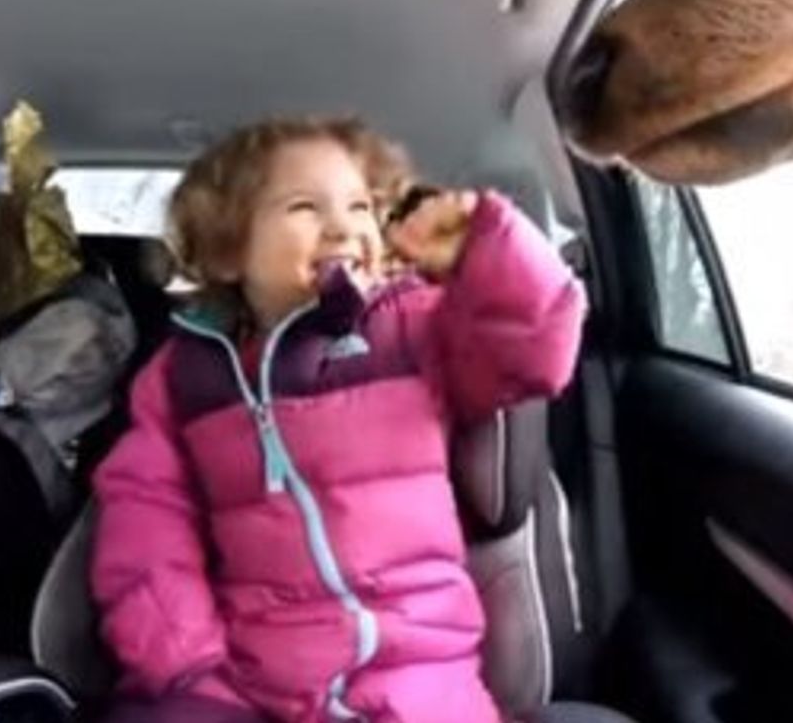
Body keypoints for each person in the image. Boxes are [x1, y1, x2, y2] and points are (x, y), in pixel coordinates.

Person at [90, 116, 586, 722]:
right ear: (226, 248)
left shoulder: (413, 327)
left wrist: (485, 246)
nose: (343, 228)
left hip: (417, 675)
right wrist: (183, 661)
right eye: (304, 206)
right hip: (252, 678)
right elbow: (145, 521)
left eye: (360, 206)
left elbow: (535, 352)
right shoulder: (185, 375)